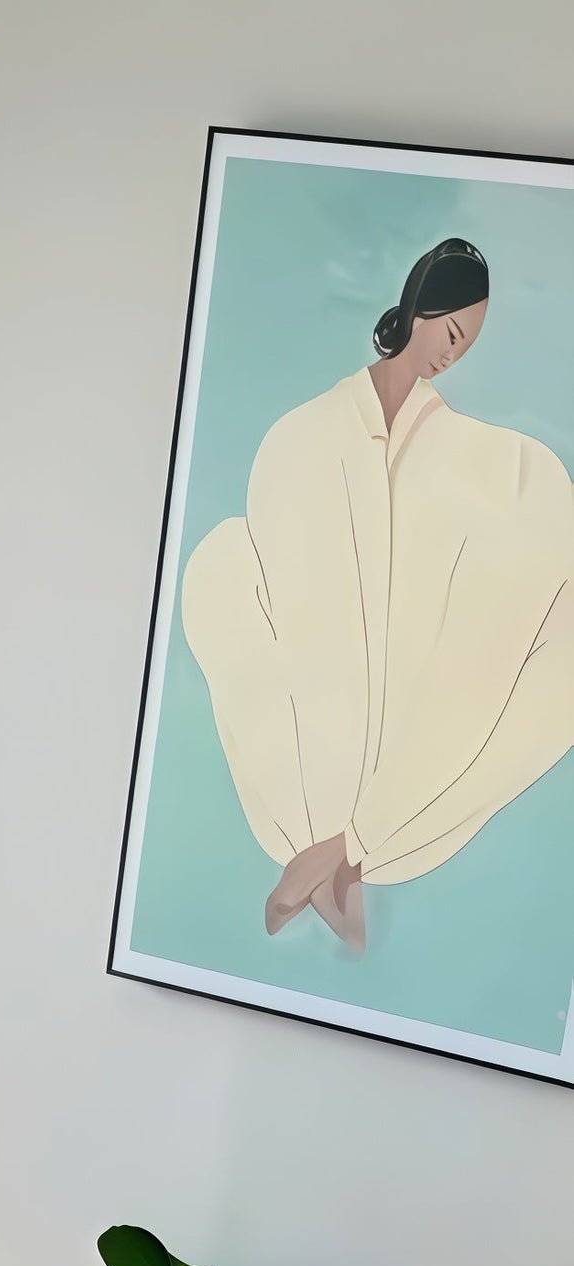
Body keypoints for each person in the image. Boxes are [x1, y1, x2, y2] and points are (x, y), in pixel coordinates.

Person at [181, 239, 574, 953]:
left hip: (406, 747)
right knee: (217, 573)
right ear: (421, 308)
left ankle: (343, 854)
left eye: (470, 343)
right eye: (453, 332)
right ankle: (335, 852)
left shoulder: (468, 455)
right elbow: (311, 621)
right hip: (323, 732)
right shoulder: (304, 436)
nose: (456, 354)